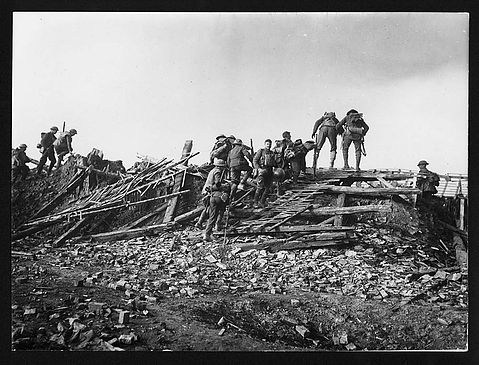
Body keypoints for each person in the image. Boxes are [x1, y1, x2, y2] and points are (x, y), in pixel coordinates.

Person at [203, 158, 231, 241]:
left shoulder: (212, 170)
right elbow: (218, 183)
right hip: (217, 197)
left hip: (212, 196)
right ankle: (207, 234)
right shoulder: (217, 172)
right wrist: (225, 186)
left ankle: (209, 233)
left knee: (211, 216)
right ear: (221, 167)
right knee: (215, 216)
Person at [253, 139, 276, 208]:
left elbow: (274, 162)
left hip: (269, 171)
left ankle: (262, 202)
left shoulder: (272, 153)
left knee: (268, 188)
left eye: (270, 144)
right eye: (267, 144)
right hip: (262, 171)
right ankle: (255, 202)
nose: (269, 145)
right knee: (260, 187)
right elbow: (255, 160)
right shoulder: (261, 151)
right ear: (265, 144)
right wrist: (258, 168)